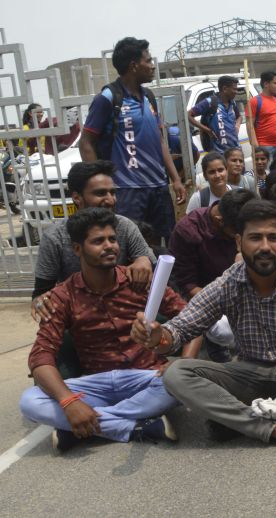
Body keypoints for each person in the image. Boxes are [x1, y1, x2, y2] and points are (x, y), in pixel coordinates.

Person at [133, 200, 276, 451]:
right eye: (255, 238)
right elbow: (180, 329)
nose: (265, 247)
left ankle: (240, 418)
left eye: (273, 238)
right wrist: (157, 336)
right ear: (239, 242)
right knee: (176, 373)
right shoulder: (228, 283)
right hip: (249, 375)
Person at [20, 208, 185, 452]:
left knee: (186, 381)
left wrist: (185, 363)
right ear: (77, 249)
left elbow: (189, 317)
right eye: (98, 241)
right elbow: (41, 355)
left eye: (112, 239)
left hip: (145, 377)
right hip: (95, 384)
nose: (109, 246)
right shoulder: (63, 295)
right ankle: (134, 427)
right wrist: (68, 401)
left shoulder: (138, 282)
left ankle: (81, 427)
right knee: (29, 401)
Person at [79, 37, 186, 240]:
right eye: (148, 61)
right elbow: (85, 143)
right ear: (133, 66)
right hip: (127, 191)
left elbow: (160, 140)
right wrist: (101, 186)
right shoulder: (108, 98)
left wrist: (176, 179)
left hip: (158, 188)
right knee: (129, 247)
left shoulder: (149, 97)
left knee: (165, 248)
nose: (152, 66)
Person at [31, 160, 155, 323]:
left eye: (113, 192)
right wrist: (42, 303)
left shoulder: (125, 226)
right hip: (79, 319)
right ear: (77, 197)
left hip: (127, 314)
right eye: (100, 193)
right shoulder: (55, 237)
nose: (110, 200)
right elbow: (41, 293)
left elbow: (156, 272)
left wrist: (143, 260)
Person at [169, 189, 256, 362]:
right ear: (219, 220)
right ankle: (214, 342)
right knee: (224, 330)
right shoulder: (188, 231)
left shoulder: (241, 224)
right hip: (203, 295)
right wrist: (222, 303)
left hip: (238, 287)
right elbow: (188, 286)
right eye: (237, 233)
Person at [188, 75, 241, 154]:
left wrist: (237, 126)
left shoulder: (232, 103)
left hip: (235, 151)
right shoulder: (210, 102)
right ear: (225, 89)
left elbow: (239, 116)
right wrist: (207, 130)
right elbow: (188, 115)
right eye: (234, 89)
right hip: (218, 154)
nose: (236, 92)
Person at [247, 71, 276, 158]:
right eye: (275, 83)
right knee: (267, 172)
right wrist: (256, 147)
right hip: (265, 147)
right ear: (266, 84)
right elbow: (250, 125)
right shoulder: (255, 101)